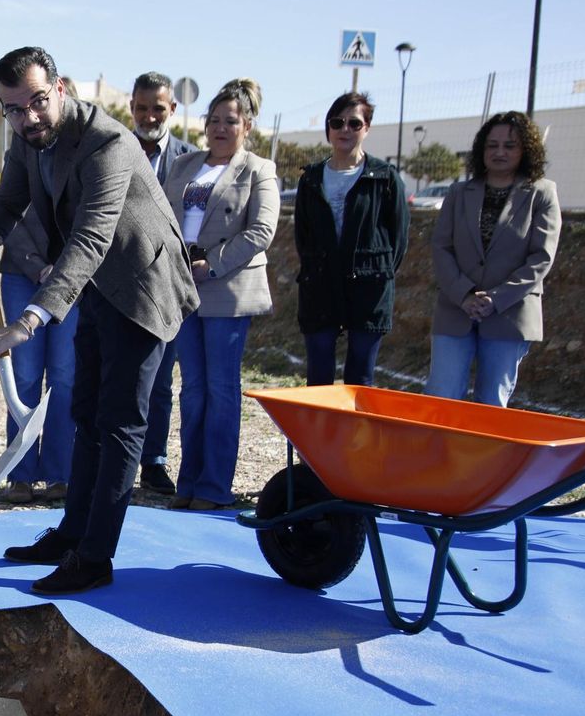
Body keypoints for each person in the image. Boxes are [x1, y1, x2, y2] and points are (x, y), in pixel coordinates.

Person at [0, 47, 196, 595]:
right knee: (86, 412)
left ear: (60, 87)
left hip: (143, 289)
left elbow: (91, 238)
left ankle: (94, 560)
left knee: (120, 425)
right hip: (96, 287)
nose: (28, 118)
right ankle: (71, 534)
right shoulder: (26, 138)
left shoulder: (108, 142)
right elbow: (9, 197)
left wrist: (29, 319)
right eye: (14, 109)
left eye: (38, 102)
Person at [159, 79, 279, 511]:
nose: (221, 128)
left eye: (231, 120)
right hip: (183, 288)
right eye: (214, 120)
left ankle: (213, 487)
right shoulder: (184, 165)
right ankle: (188, 483)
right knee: (191, 390)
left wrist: (213, 263)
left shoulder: (258, 169)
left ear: (247, 126)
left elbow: (262, 230)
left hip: (226, 289)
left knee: (221, 389)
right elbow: (162, 218)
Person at [425, 111, 560, 407]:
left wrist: (495, 299)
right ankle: (441, 454)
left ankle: (483, 456)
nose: (499, 152)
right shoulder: (459, 193)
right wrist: (465, 295)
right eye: (492, 145)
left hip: (508, 313)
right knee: (442, 397)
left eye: (509, 145)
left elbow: (541, 256)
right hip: (456, 310)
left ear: (526, 150)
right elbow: (441, 248)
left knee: (491, 403)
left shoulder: (542, 193)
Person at [293, 91, 409, 388]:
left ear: (366, 128)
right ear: (329, 129)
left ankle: (355, 436)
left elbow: (398, 238)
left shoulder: (385, 177)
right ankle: (315, 436)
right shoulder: (311, 179)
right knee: (318, 377)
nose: (345, 129)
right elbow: (303, 236)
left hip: (368, 288)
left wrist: (373, 270)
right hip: (320, 287)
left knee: (360, 379)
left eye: (354, 123)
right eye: (338, 122)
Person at [129, 71, 199, 496]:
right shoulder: (113, 149)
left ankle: (153, 461)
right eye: (141, 107)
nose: (149, 115)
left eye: (158, 107)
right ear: (131, 109)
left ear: (172, 109)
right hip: (121, 281)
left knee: (160, 382)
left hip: (169, 286)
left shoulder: (192, 160)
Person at [0, 204, 77, 507]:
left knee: (64, 377)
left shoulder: (85, 156)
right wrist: (37, 266)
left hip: (74, 278)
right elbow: (8, 210)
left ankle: (59, 474)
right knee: (25, 375)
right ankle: (20, 474)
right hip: (22, 273)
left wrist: (66, 269)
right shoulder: (26, 154)